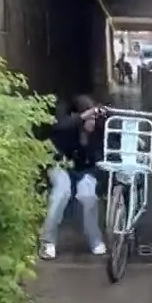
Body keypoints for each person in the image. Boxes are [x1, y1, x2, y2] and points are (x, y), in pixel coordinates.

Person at [38, 94, 107, 259]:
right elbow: (58, 127)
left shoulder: (99, 130)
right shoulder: (67, 127)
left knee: (87, 195)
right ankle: (48, 242)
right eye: (88, 119)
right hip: (60, 165)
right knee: (62, 191)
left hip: (86, 170)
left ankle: (95, 240)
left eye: (94, 119)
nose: (92, 122)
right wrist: (82, 117)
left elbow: (107, 149)